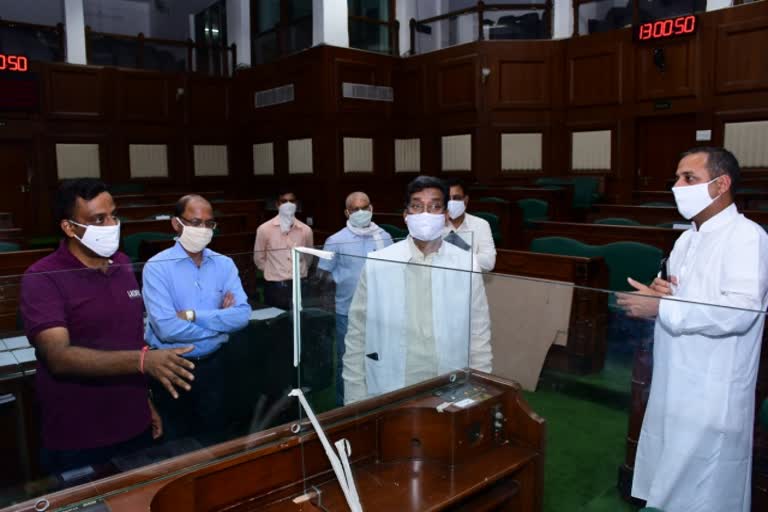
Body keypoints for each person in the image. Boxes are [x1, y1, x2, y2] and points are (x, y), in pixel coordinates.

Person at [618, 147, 768, 511]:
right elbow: (682, 297)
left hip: (714, 387)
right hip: (674, 376)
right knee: (669, 473)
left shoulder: (748, 237)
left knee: (705, 487)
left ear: (722, 184)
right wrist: (660, 294)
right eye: (677, 177)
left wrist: (664, 306)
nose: (677, 186)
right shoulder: (686, 238)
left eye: (689, 178)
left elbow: (740, 312)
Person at [19, 179, 195, 474]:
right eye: (98, 219)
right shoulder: (43, 277)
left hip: (133, 423)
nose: (112, 224)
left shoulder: (123, 264)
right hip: (78, 435)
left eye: (113, 215)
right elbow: (58, 357)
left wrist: (146, 401)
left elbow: (129, 337)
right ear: (69, 228)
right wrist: (144, 362)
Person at [343, 176, 492, 405]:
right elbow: (357, 335)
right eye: (416, 206)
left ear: (445, 217)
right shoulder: (378, 262)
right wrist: (354, 400)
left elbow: (479, 334)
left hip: (448, 384)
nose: (425, 214)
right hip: (391, 385)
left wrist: (481, 392)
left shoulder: (466, 263)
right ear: (406, 216)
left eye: (434, 206)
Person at [142, 194, 251, 445]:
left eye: (208, 224)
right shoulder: (157, 267)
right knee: (176, 446)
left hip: (215, 365)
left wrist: (193, 316)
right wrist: (221, 327)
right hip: (173, 368)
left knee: (217, 441)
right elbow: (166, 328)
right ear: (176, 224)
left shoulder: (224, 264)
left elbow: (242, 315)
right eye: (195, 222)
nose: (202, 230)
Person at [318, 191, 393, 405]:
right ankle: (345, 406)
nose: (360, 212)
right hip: (347, 311)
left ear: (371, 209)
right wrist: (328, 303)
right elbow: (323, 276)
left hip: (379, 310)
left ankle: (377, 400)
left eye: (364, 207)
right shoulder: (336, 240)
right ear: (346, 212)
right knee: (348, 360)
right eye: (355, 209)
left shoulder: (384, 236)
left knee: (378, 357)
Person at [254, 189, 314, 309]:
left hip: (300, 283)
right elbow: (259, 258)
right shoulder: (264, 229)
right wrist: (274, 271)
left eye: (291, 201)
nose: (288, 204)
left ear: (296, 204)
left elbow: (309, 257)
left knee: (300, 320)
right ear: (277, 204)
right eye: (284, 201)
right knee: (277, 322)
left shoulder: (305, 230)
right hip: (275, 285)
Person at [443, 178, 497, 271]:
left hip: (471, 282)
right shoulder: (434, 225)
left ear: (466, 200)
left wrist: (455, 244)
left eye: (456, 198)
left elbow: (489, 263)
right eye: (448, 199)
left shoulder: (481, 225)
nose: (451, 202)